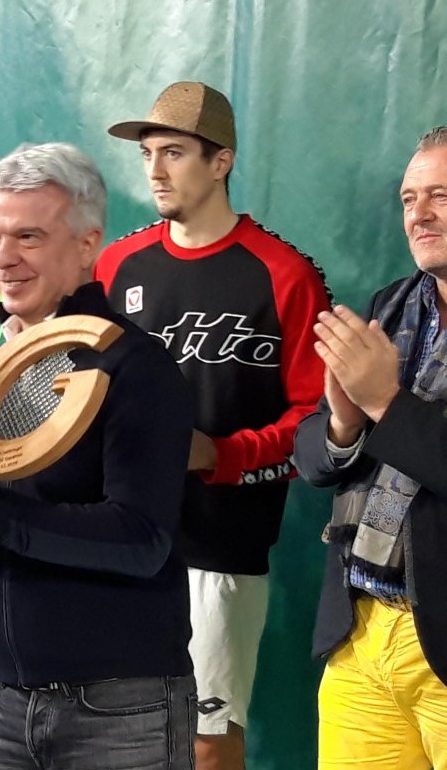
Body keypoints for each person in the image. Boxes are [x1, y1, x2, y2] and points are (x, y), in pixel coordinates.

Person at [0, 142, 197, 770]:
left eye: (28, 236)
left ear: (87, 245)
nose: (3, 257)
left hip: (123, 711)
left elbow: (140, 540)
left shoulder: (136, 368)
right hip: (8, 706)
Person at [94, 81, 331, 770]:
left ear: (220, 161)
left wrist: (219, 455)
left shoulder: (283, 274)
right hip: (115, 538)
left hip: (220, 546)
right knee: (112, 732)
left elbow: (315, 423)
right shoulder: (116, 265)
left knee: (205, 744)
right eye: (147, 154)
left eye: (173, 152)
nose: (155, 170)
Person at [293, 126, 447, 770]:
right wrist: (345, 422)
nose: (420, 214)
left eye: (441, 195)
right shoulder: (390, 308)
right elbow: (312, 456)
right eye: (410, 198)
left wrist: (385, 403)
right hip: (359, 628)